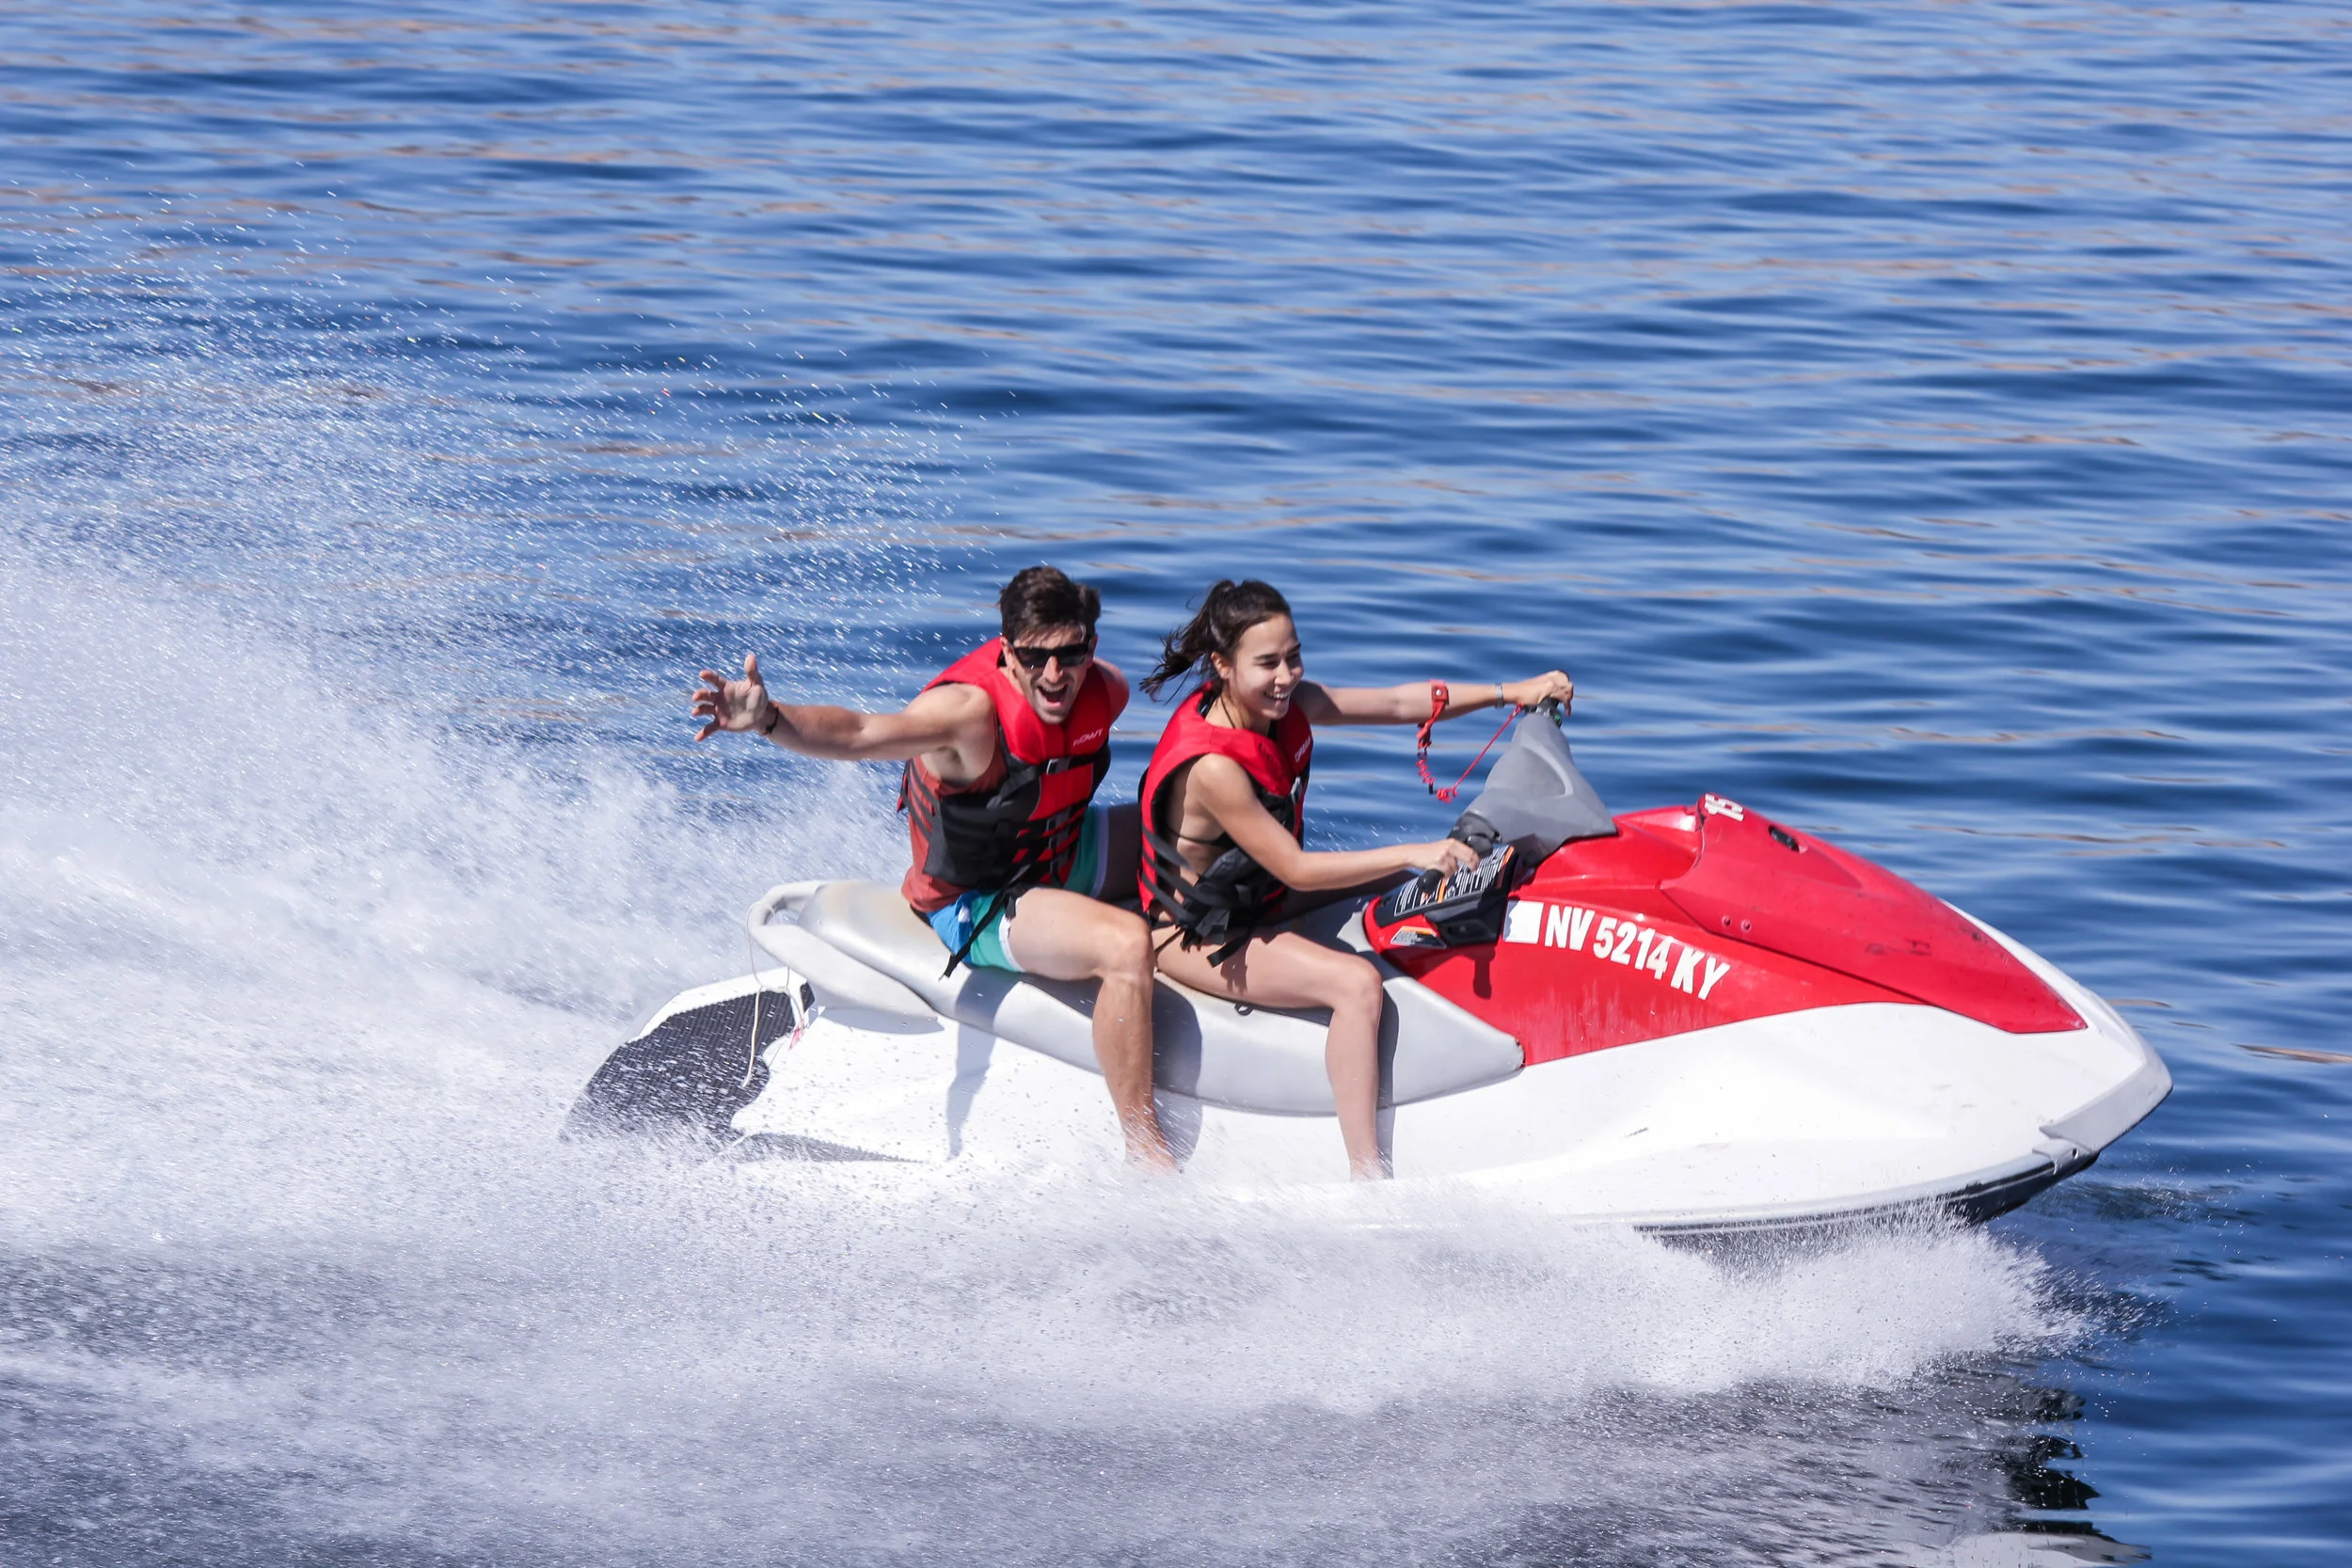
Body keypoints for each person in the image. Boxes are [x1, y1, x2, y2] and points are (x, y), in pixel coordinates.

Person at [692, 566, 1176, 1172]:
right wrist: (770, 719)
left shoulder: (1107, 688)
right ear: (1008, 651)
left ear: (1091, 647)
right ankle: (1145, 1150)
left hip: (1060, 853)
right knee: (1125, 945)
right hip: (979, 900)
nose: (1055, 674)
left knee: (1186, 822)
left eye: (1071, 654)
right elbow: (861, 733)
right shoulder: (965, 716)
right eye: (1035, 657)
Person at [1136, 579, 1574, 1180]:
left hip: (1260, 898)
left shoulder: (1281, 707)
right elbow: (1294, 867)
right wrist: (1413, 851)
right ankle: (1367, 1178)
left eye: (1293, 657)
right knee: (1357, 985)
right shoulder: (1215, 768)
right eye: (1268, 663)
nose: (1286, 676)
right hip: (1198, 935)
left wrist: (1512, 692)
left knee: (1408, 892)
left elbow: (1396, 703)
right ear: (1223, 665)